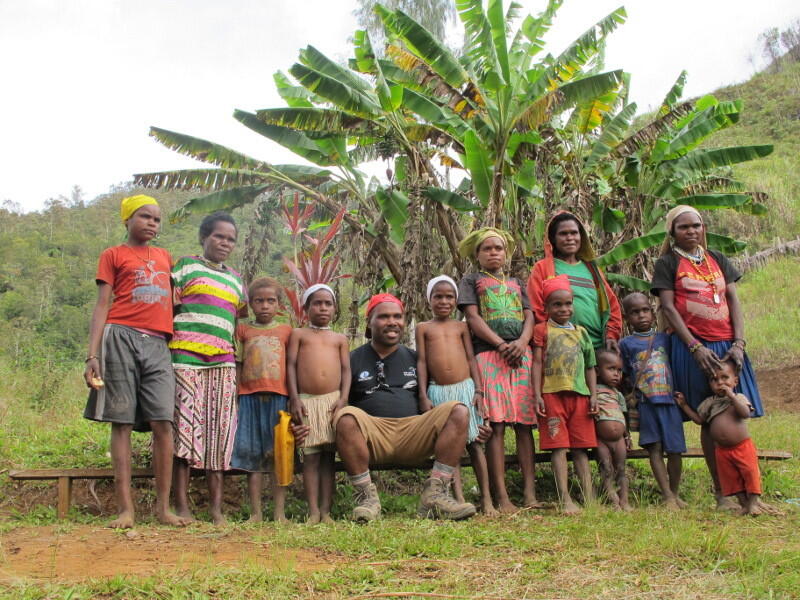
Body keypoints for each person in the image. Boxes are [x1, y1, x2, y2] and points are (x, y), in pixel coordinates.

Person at [83, 195, 188, 529]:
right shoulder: (113, 255)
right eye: (145, 216)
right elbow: (103, 305)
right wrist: (92, 355)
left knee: (163, 422)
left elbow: (176, 301)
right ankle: (125, 510)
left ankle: (163, 508)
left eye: (157, 219)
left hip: (158, 342)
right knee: (122, 422)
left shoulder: (165, 257)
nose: (152, 223)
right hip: (120, 336)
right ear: (127, 219)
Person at [651, 205, 764, 510]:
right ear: (672, 232)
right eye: (684, 227)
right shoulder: (667, 263)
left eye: (696, 225)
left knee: (735, 412)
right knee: (709, 417)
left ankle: (748, 492)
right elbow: (669, 309)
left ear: (703, 228)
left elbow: (733, 300)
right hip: (692, 349)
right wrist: (694, 347)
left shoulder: (718, 259)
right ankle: (721, 492)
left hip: (727, 347)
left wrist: (739, 343)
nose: (691, 231)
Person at [333, 293, 477, 522]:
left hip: (414, 433)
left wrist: (480, 422)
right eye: (384, 317)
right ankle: (367, 499)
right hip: (373, 437)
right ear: (369, 322)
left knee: (458, 410)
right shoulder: (352, 359)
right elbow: (336, 400)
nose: (392, 322)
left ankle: (435, 495)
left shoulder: (417, 358)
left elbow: (437, 395)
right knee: (346, 417)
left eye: (397, 316)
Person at [170, 212, 247, 525]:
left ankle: (216, 510)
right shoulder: (185, 266)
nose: (225, 243)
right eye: (219, 236)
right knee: (184, 432)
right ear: (204, 238)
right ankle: (182, 506)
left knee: (219, 432)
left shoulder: (236, 280)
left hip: (223, 361)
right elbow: (169, 308)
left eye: (230, 239)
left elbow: (234, 322)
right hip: (185, 357)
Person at [457, 228, 541, 514]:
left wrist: (521, 342)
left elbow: (530, 315)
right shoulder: (471, 281)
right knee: (497, 426)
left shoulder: (518, 281)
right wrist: (500, 344)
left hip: (521, 356)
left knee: (525, 425)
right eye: (487, 249)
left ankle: (530, 493)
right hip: (489, 356)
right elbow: (472, 317)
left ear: (507, 253)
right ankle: (502, 496)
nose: (494, 253)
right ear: (477, 255)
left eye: (499, 248)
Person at [416, 276, 495, 516]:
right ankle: (457, 498)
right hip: (438, 391)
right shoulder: (423, 328)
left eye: (449, 297)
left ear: (456, 300)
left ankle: (487, 499)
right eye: (438, 297)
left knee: (476, 444)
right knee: (451, 449)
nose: (444, 301)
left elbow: (471, 359)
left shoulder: (461, 327)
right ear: (429, 300)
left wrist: (479, 390)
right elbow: (421, 362)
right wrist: (423, 395)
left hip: (466, 389)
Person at [675, 360, 780, 516]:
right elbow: (699, 420)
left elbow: (745, 413)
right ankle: (744, 505)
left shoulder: (739, 398)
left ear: (735, 381)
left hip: (742, 447)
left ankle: (753, 504)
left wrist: (732, 396)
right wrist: (684, 405)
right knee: (731, 479)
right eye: (714, 379)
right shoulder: (709, 403)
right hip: (722, 451)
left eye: (725, 378)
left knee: (750, 474)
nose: (720, 382)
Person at [531, 275, 597, 515]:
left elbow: (590, 366)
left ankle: (589, 497)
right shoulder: (541, 330)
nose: (564, 309)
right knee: (559, 447)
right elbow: (537, 363)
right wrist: (537, 394)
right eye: (557, 305)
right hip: (551, 395)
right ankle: (566, 498)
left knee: (581, 448)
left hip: (580, 395)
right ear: (546, 308)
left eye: (568, 303)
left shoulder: (582, 332)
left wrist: (593, 395)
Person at [230, 277, 292, 522]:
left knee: (279, 456)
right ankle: (255, 513)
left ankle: (279, 513)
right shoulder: (243, 330)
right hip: (248, 399)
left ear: (279, 304)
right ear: (251, 304)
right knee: (251, 456)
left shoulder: (287, 331)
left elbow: (292, 365)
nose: (265, 306)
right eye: (259, 301)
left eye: (270, 301)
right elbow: (238, 363)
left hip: (279, 400)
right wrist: (234, 395)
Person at [288, 284, 350, 524]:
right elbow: (291, 365)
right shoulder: (299, 334)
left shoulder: (340, 339)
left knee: (328, 458)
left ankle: (326, 510)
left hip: (332, 403)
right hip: (306, 402)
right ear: (306, 308)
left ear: (335, 308)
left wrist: (343, 399)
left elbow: (346, 371)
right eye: (317, 303)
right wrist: (294, 397)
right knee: (311, 458)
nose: (323, 308)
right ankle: (313, 510)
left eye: (328, 303)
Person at [619, 292, 687, 509]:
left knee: (675, 450)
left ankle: (675, 493)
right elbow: (623, 376)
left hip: (669, 401)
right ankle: (666, 494)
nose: (641, 316)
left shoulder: (665, 339)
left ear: (653, 313)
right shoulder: (625, 344)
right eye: (635, 312)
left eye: (645, 310)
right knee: (654, 448)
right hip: (646, 404)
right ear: (626, 317)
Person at [527, 212, 622, 352]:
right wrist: (548, 336)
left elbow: (611, 305)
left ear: (581, 237)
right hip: (560, 348)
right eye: (563, 234)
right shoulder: (542, 268)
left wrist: (611, 335)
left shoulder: (592, 270)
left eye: (574, 233)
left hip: (596, 348)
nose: (570, 238)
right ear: (553, 239)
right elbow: (535, 307)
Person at [593, 349, 632, 512]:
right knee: (606, 468)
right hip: (601, 439)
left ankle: (625, 500)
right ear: (597, 371)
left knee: (621, 469)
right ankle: (612, 499)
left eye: (619, 370)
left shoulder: (618, 394)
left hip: (619, 440)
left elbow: (624, 415)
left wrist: (627, 435)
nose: (616, 374)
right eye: (611, 369)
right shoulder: (593, 391)